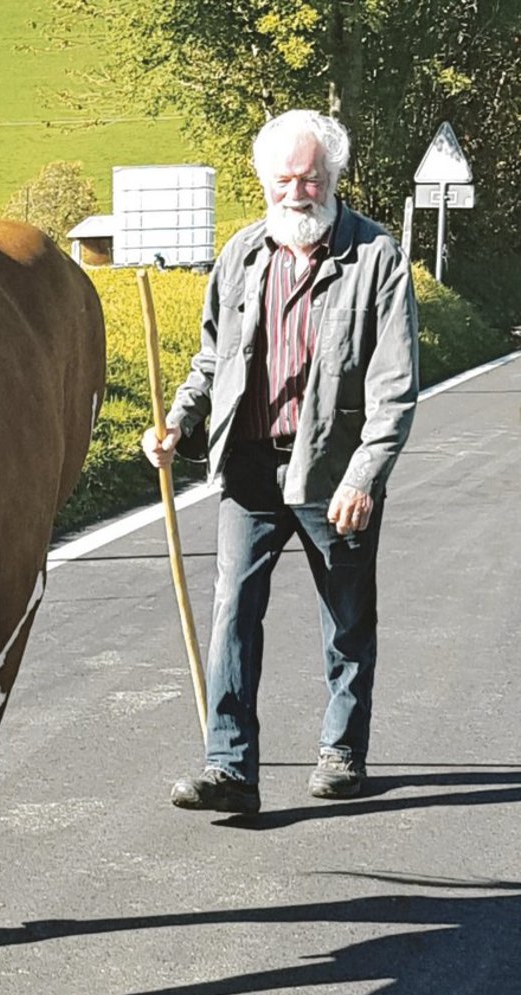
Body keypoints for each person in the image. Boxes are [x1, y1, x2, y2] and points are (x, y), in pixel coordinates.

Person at [144, 109, 419, 814]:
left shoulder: (376, 258)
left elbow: (395, 387)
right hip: (250, 468)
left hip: (332, 470)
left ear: (333, 178)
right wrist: (177, 422)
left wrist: (364, 475)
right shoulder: (242, 254)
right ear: (264, 182)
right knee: (233, 607)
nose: (296, 192)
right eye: (283, 181)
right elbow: (213, 356)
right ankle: (230, 766)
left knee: (347, 615)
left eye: (310, 178)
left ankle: (342, 749)